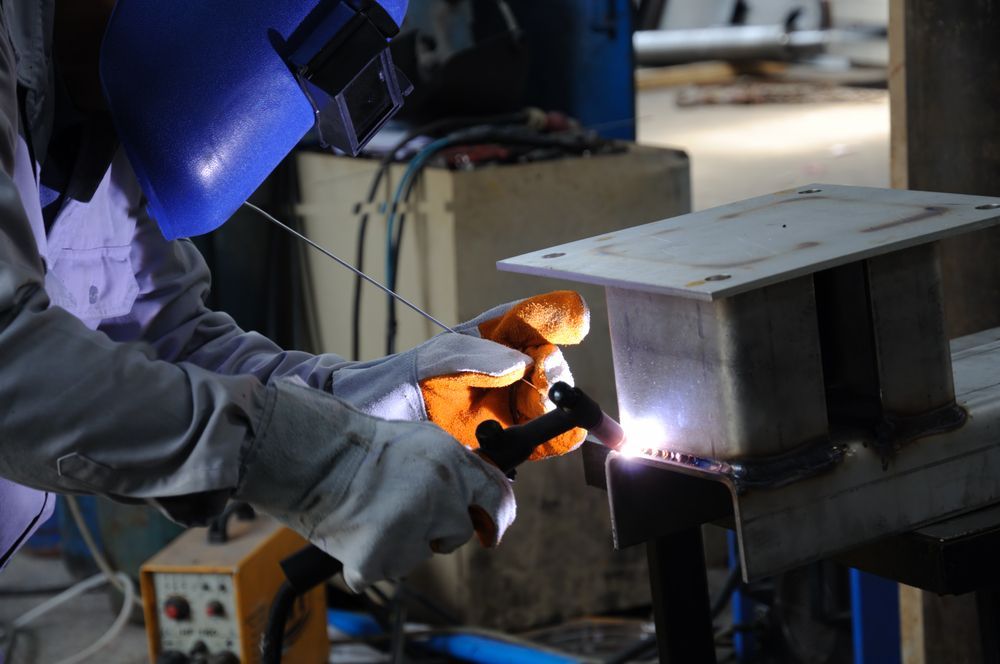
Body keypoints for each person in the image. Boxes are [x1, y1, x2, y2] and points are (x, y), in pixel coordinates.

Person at [0, 0, 589, 591]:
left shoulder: (105, 110)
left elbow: (171, 345)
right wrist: (316, 464)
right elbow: (11, 369)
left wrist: (391, 396)